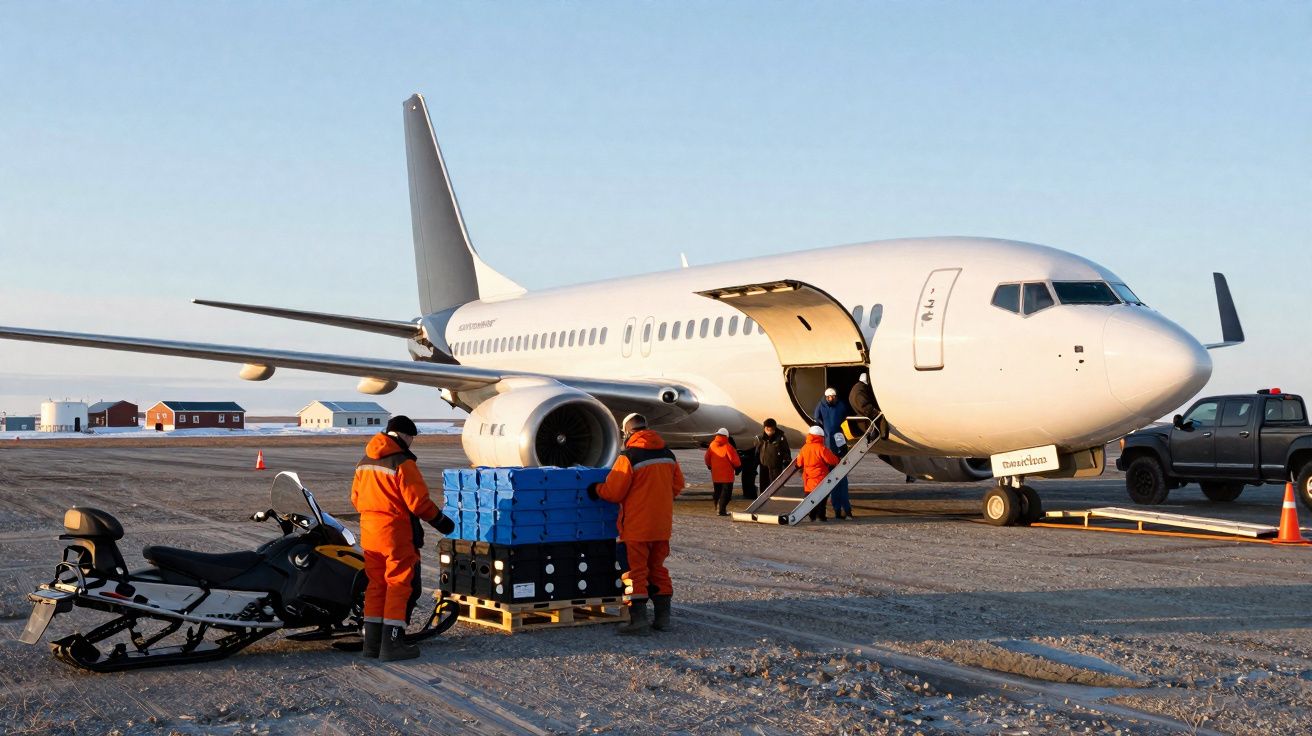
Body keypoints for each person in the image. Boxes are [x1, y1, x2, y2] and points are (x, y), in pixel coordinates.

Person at [351, 415, 454, 661]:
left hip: (370, 531)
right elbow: (418, 502)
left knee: (377, 585)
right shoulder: (402, 462)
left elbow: (355, 499)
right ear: (405, 436)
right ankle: (393, 644)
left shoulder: (364, 461)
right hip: (395, 532)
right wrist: (442, 522)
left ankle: (373, 644)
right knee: (399, 584)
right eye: (412, 438)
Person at [588, 413, 685, 635]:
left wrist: (596, 489)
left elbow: (614, 492)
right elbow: (677, 485)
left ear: (627, 432)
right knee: (658, 569)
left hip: (637, 527)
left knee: (635, 573)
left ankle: (638, 621)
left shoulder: (629, 457)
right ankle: (663, 619)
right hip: (661, 526)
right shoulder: (668, 454)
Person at [813, 388, 854, 519]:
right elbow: (816, 417)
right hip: (828, 449)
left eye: (833, 397)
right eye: (829, 397)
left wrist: (842, 452)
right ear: (826, 397)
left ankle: (845, 510)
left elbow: (846, 416)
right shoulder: (821, 405)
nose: (831, 399)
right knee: (833, 482)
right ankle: (838, 510)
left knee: (841, 482)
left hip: (838, 447)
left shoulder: (841, 405)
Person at [796, 425, 840, 521]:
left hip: (808, 479)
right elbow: (831, 460)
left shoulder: (804, 448)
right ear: (820, 437)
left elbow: (799, 463)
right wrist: (837, 459)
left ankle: (812, 515)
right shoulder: (821, 448)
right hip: (820, 477)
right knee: (821, 498)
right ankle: (821, 516)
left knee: (809, 499)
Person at [704, 428, 741, 515]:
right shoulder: (728, 446)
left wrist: (709, 465)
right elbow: (734, 460)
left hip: (716, 474)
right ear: (727, 436)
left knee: (717, 491)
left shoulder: (712, 445)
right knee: (726, 494)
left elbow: (706, 457)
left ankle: (716, 507)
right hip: (727, 476)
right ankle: (722, 510)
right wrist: (738, 468)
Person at [753, 418, 791, 494]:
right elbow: (757, 453)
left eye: (771, 429)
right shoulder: (760, 439)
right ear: (764, 428)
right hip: (764, 467)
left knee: (774, 488)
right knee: (764, 488)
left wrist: (786, 464)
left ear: (774, 428)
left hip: (775, 468)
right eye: (767, 429)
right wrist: (754, 466)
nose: (769, 431)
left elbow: (786, 452)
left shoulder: (780, 438)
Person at [848, 372, 886, 440]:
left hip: (860, 412)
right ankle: (881, 435)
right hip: (864, 412)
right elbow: (864, 405)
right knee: (880, 417)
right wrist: (875, 411)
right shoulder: (861, 389)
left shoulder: (857, 387)